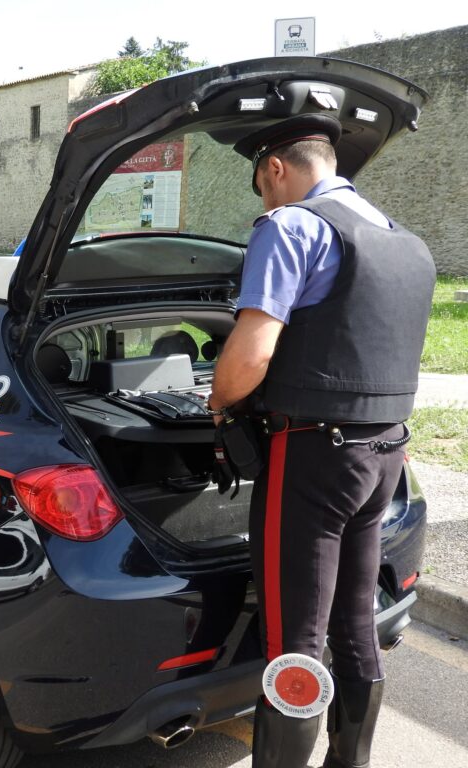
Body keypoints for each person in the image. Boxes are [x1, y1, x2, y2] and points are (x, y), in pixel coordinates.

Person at [207, 114, 435, 767]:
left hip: (312, 457)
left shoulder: (290, 228)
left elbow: (250, 356)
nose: (265, 200)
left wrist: (217, 401)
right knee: (356, 624)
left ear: (275, 167)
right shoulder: (403, 242)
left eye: (261, 184)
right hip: (384, 455)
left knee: (294, 640)